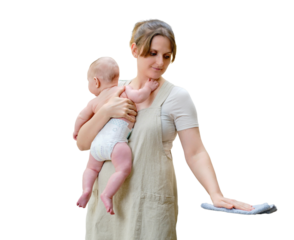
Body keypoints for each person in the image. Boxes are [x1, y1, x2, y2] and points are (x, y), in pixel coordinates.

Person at [75, 18, 254, 240]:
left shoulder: (177, 97)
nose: (160, 62)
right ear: (134, 49)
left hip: (149, 208)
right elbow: (83, 144)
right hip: (106, 212)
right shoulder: (113, 91)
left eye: (167, 56)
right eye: (152, 53)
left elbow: (195, 151)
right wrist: (106, 112)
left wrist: (215, 193)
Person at [73, 55, 159, 215]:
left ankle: (86, 190)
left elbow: (81, 117)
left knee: (90, 168)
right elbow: (140, 96)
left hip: (97, 145)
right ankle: (107, 194)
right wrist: (148, 88)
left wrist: (76, 131)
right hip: (115, 142)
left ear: (96, 81)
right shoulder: (124, 89)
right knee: (123, 169)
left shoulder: (94, 101)